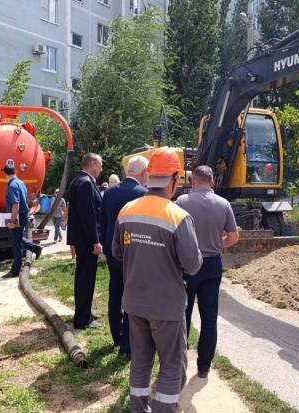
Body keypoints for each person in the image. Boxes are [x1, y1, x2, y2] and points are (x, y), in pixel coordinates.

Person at [113, 148, 202, 413]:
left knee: (141, 360)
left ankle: (139, 409)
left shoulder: (126, 211)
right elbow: (193, 265)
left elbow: (117, 252)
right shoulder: (178, 216)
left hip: (134, 302)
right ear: (174, 179)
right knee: (172, 363)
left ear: (150, 176)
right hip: (166, 306)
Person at [175, 165, 239, 378]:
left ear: (193, 181)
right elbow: (233, 237)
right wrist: (219, 244)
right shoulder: (223, 204)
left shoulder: (182, 202)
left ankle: (179, 362)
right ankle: (203, 367)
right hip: (212, 264)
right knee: (209, 317)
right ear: (212, 182)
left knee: (182, 314)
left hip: (186, 264)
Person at [99, 155, 149, 360]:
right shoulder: (142, 194)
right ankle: (128, 345)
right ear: (143, 173)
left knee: (115, 291)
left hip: (112, 251)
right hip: (133, 253)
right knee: (132, 297)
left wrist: (105, 245)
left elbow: (102, 222)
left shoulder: (110, 191)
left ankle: (117, 336)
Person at [67, 153, 104, 329]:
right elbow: (88, 216)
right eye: (100, 165)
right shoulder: (86, 183)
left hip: (81, 239)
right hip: (86, 240)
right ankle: (82, 319)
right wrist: (95, 241)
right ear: (93, 164)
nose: (101, 169)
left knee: (83, 277)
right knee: (86, 279)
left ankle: (84, 312)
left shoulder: (79, 180)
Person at [1, 164, 43, 279]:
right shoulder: (21, 183)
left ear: (5, 174)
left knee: (16, 244)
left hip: (18, 216)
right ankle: (35, 248)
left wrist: (12, 221)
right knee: (15, 238)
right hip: (23, 215)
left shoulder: (12, 186)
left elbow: (16, 205)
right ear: (15, 172)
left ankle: (15, 270)